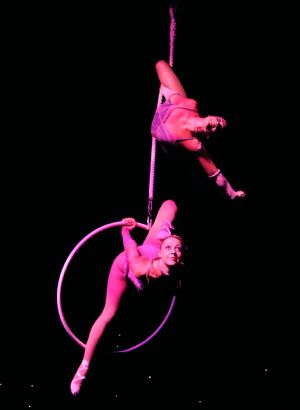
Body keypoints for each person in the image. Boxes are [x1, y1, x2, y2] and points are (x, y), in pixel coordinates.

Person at [70, 199, 185, 395]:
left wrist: (167, 239)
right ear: (163, 251)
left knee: (171, 204)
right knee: (108, 313)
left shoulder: (179, 268)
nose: (174, 252)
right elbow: (130, 247)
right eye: (169, 248)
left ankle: (164, 233)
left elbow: (170, 211)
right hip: (125, 266)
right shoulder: (140, 268)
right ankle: (82, 369)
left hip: (152, 247)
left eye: (178, 249)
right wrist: (125, 230)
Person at [151, 60, 246, 200]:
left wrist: (232, 194)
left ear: (209, 135)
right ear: (211, 116)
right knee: (160, 64)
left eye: (218, 129)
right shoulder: (191, 104)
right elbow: (173, 96)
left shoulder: (194, 145)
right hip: (170, 106)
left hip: (170, 146)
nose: (216, 124)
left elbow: (216, 176)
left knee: (191, 170)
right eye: (219, 120)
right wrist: (164, 88)